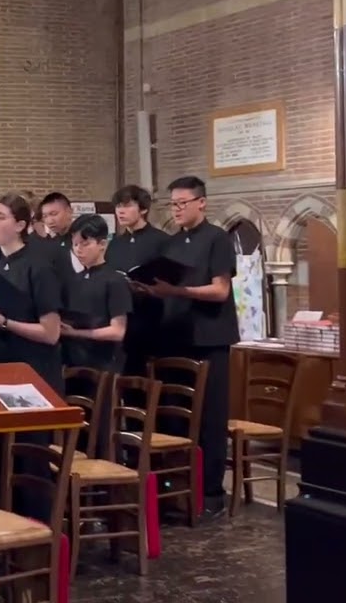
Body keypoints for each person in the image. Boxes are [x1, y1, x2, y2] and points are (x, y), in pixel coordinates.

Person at [138, 175, 238, 518]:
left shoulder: (217, 239)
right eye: (173, 204)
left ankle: (211, 493)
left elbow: (220, 290)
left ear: (201, 202)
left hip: (209, 339)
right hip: (174, 338)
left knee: (209, 418)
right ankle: (176, 490)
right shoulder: (170, 244)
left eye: (182, 203)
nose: (177, 210)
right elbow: (167, 286)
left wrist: (177, 292)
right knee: (174, 419)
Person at [0, 193, 63, 392]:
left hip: (34, 371)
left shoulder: (38, 266)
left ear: (20, 225)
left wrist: (3, 322)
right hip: (0, 366)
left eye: (0, 217)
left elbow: (51, 333)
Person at [62, 214, 133, 453]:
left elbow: (118, 331)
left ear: (102, 244)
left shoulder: (115, 280)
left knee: (100, 431)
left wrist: (79, 333)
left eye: (85, 243)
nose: (79, 249)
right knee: (76, 430)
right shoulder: (73, 280)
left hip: (103, 365)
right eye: (75, 244)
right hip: (75, 363)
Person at [106, 184, 170, 377]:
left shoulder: (162, 241)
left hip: (152, 320)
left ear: (143, 209)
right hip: (124, 319)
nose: (120, 211)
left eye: (126, 206)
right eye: (118, 206)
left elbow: (170, 281)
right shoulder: (115, 244)